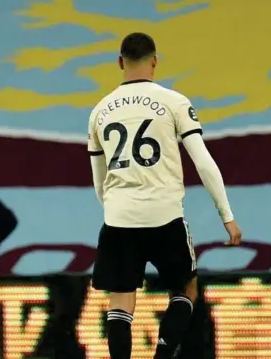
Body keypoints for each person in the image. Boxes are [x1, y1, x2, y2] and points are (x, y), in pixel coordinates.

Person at [88, 32, 242, 359]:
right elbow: (203, 162)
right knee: (185, 288)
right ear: (155, 61)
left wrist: (116, 208)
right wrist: (226, 216)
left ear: (120, 62)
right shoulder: (174, 102)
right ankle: (163, 353)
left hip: (118, 218)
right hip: (164, 216)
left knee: (120, 300)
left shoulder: (99, 111)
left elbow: (99, 180)